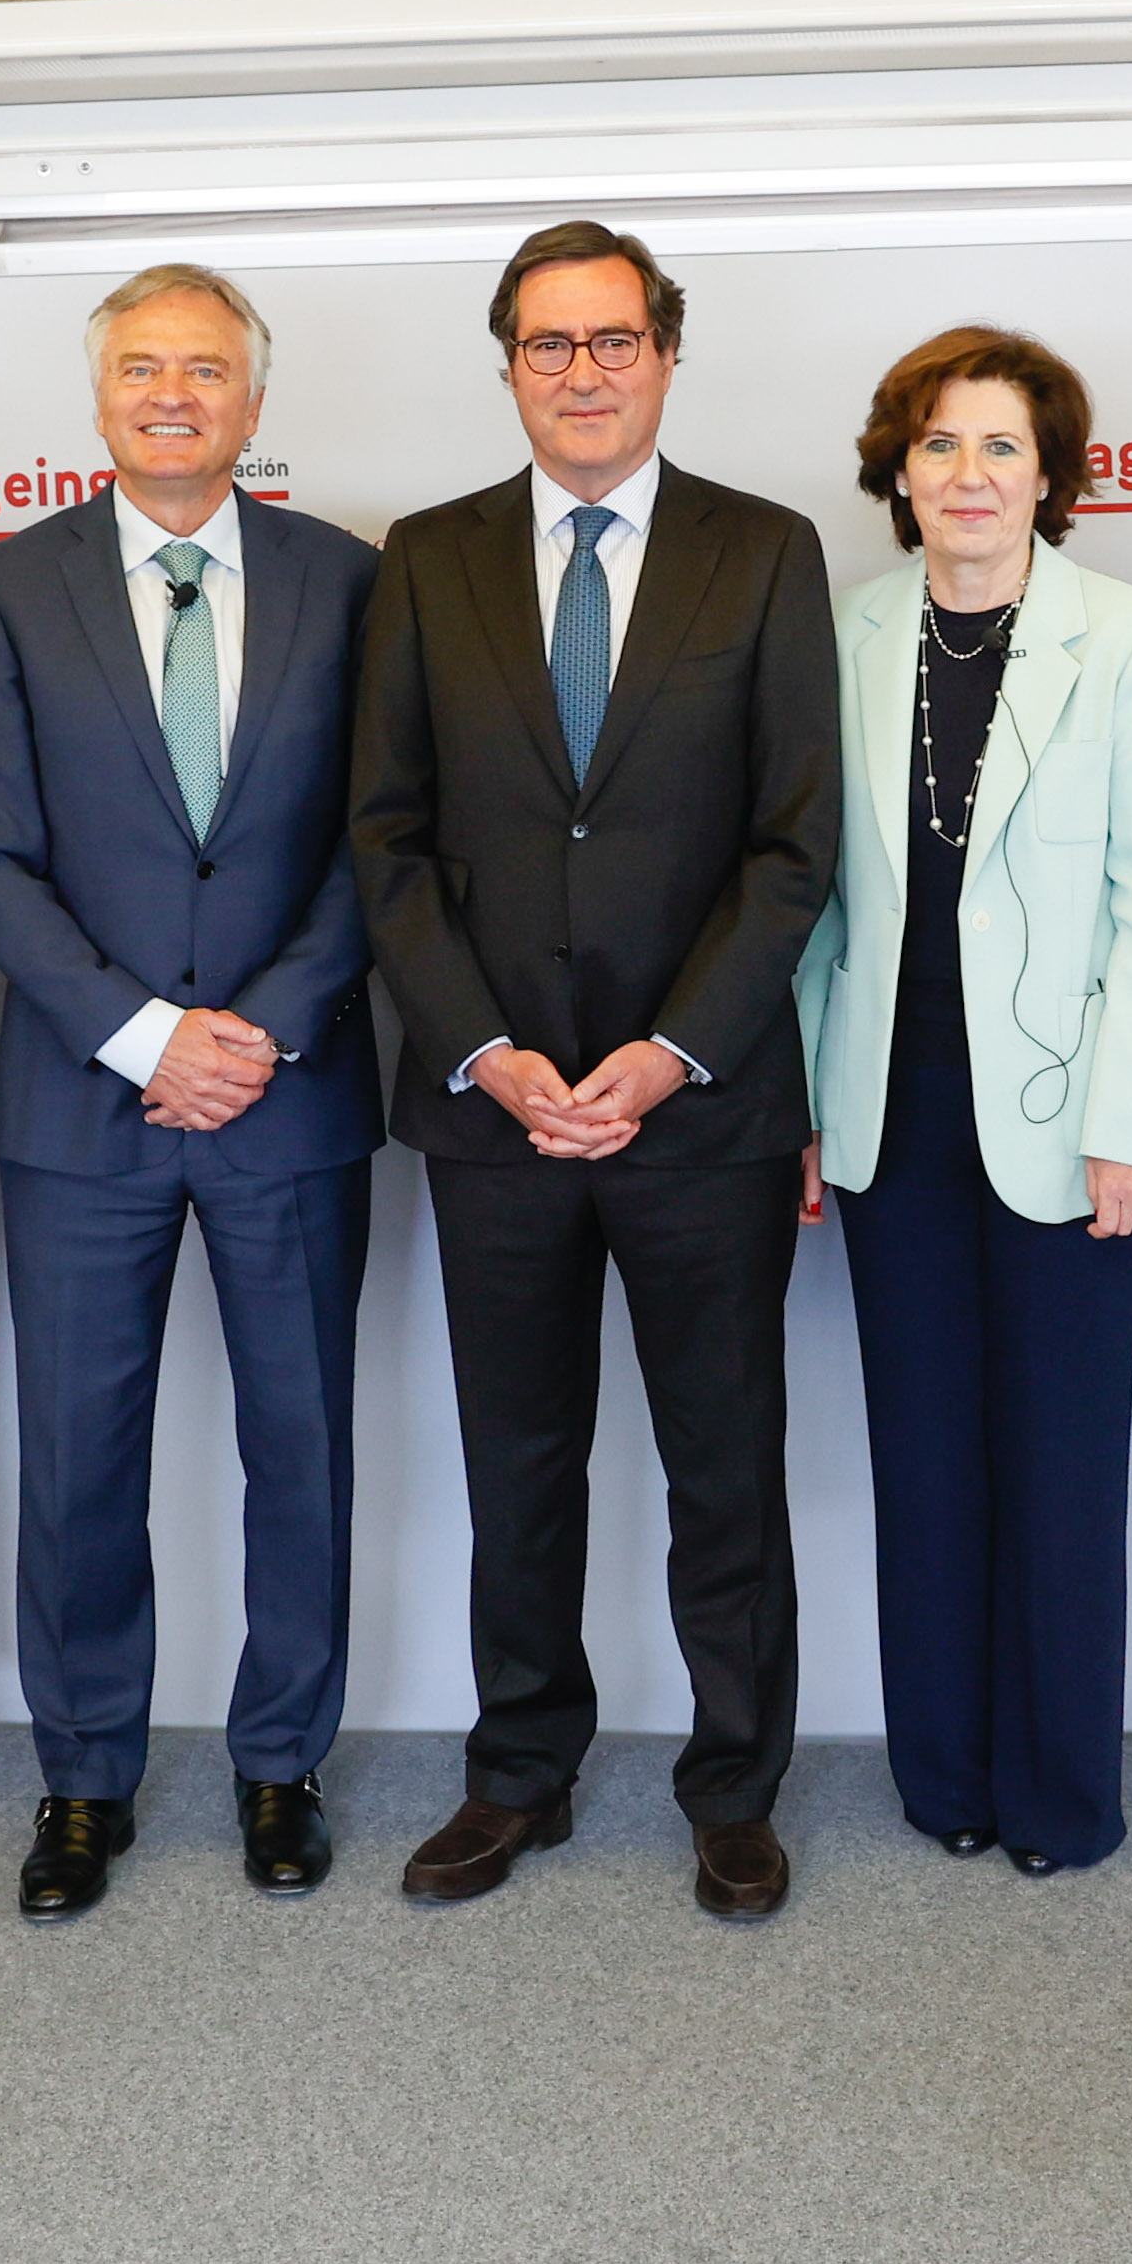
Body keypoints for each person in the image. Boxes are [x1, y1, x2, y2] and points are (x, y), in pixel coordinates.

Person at [350, 218, 842, 1922]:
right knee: (520, 1458)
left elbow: (795, 847)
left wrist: (666, 1050)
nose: (583, 370)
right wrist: (487, 1052)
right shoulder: (424, 557)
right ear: (507, 367)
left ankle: (733, 1783)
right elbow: (387, 838)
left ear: (666, 355)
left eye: (613, 339)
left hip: (696, 1107)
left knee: (726, 1459)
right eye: (549, 344)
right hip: (497, 1117)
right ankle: (521, 1770)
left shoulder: (765, 551)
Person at [0, 264, 383, 1922]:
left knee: (304, 1446)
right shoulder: (12, 583)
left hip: (292, 1093)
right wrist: (142, 1032)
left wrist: (259, 1027)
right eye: (142, 367)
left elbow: (380, 838)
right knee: (75, 1457)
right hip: (85, 1103)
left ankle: (283, 1763)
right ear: (100, 396)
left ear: (255, 402)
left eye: (207, 368)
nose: (174, 393)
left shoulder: (353, 581)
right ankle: (83, 1776)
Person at [795, 327, 1132, 1877]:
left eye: (1002, 449)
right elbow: (819, 897)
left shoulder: (1129, 634)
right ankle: (944, 1776)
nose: (970, 475)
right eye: (942, 446)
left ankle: (1059, 1795)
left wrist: (1129, 1117)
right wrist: (815, 1103)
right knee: (927, 1454)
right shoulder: (850, 630)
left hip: (1075, 1120)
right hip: (888, 1110)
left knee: (1059, 1461)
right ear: (901, 472)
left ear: (1052, 476)